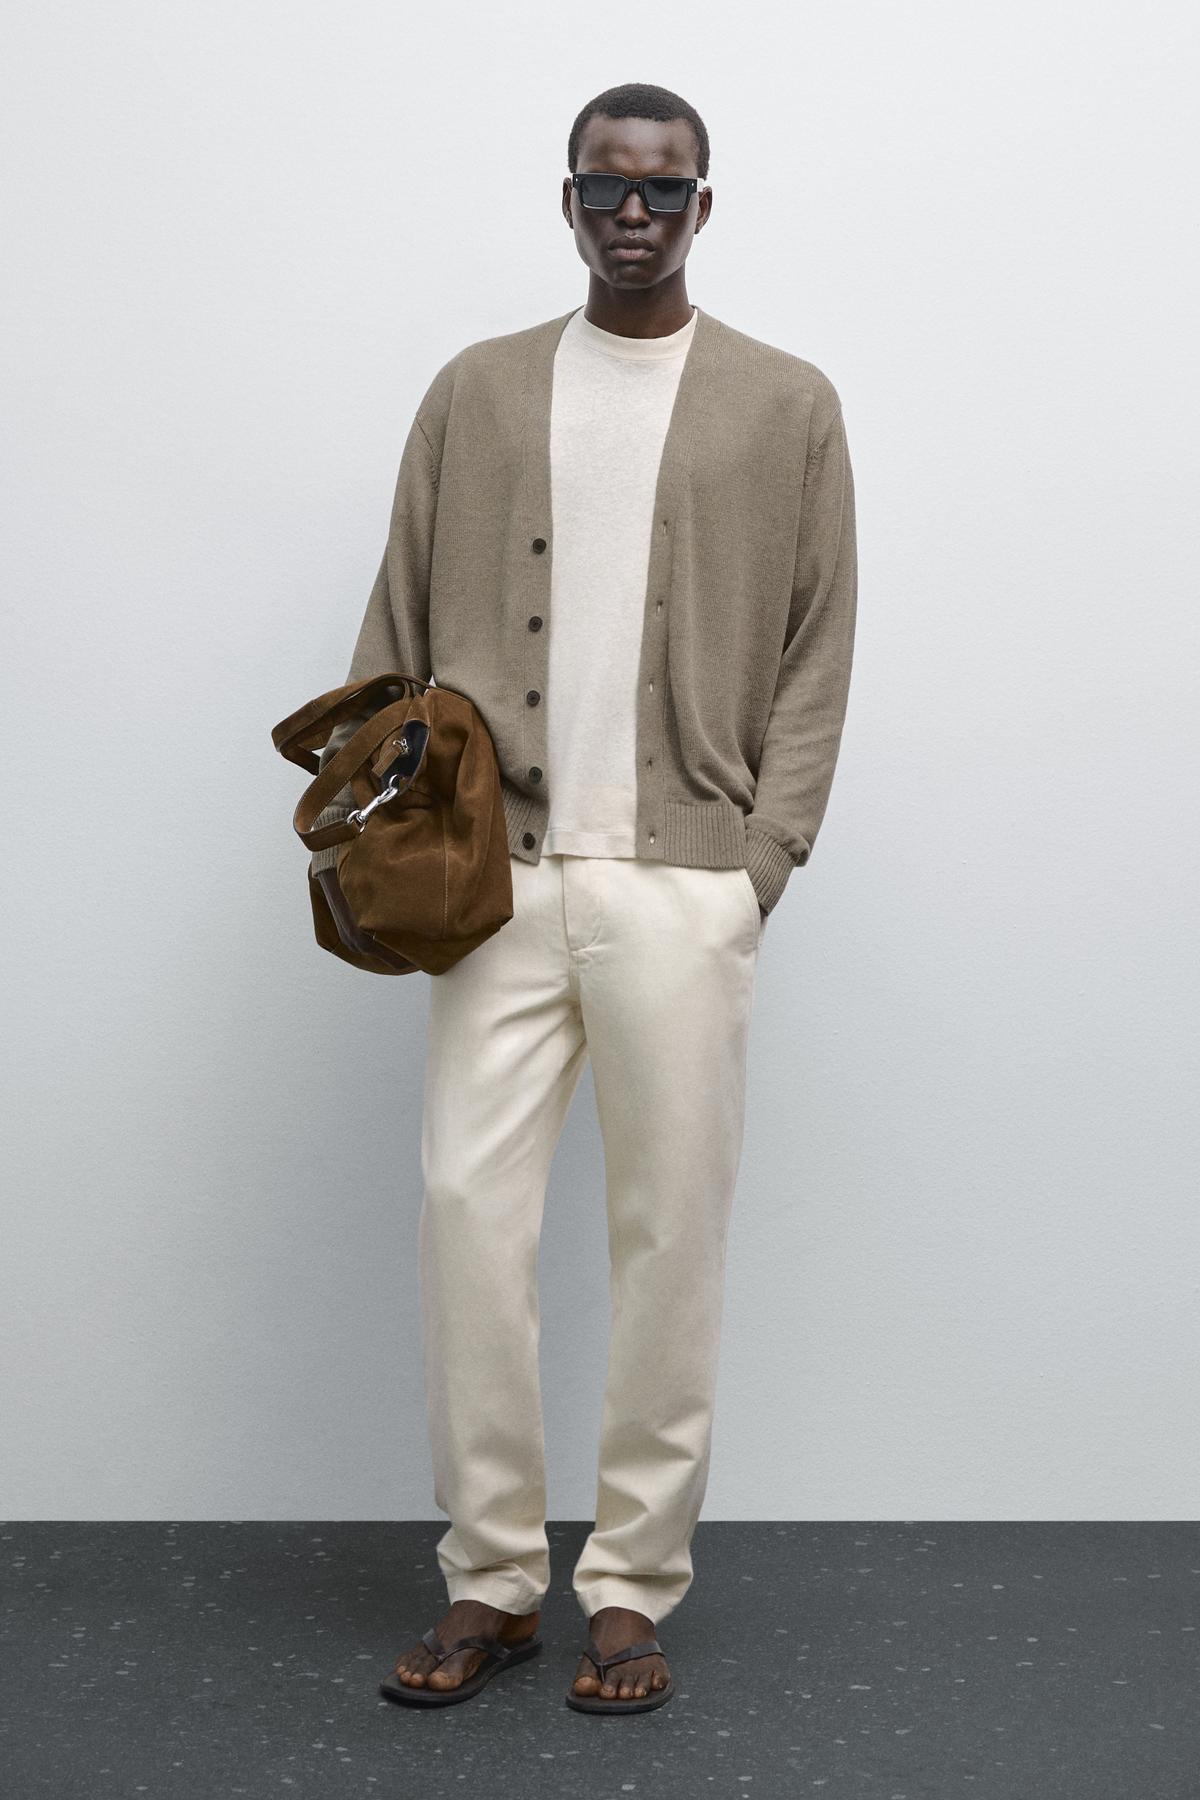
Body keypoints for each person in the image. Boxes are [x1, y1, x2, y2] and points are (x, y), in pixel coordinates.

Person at [309, 81, 858, 1715]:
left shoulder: (786, 404)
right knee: (467, 1219)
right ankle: (492, 1576)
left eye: (663, 189)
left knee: (669, 1237)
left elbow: (820, 644)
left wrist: (764, 860)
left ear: (704, 206)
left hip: (685, 884)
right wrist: (387, 832)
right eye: (606, 186)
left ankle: (629, 1585)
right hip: (501, 886)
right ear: (567, 202)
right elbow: (396, 629)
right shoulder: (477, 391)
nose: (634, 213)